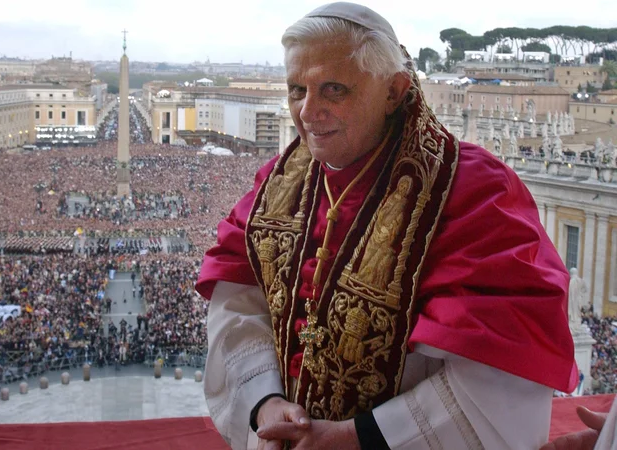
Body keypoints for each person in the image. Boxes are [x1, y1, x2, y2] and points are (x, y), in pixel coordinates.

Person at [196, 3, 577, 450]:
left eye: (333, 89)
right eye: (297, 89)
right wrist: (264, 402)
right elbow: (240, 297)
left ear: (394, 91)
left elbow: (502, 371)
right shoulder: (281, 180)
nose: (307, 110)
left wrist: (357, 437)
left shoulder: (472, 190)